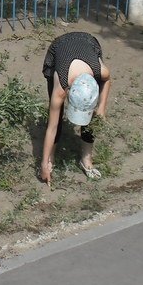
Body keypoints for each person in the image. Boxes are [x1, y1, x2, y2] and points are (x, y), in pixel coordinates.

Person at [40, 31, 112, 185]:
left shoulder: (100, 71)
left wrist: (101, 108)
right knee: (56, 117)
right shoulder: (61, 87)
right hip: (60, 47)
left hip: (88, 43)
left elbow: (107, 81)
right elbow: (51, 128)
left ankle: (86, 159)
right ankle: (51, 158)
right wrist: (43, 162)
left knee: (93, 118)